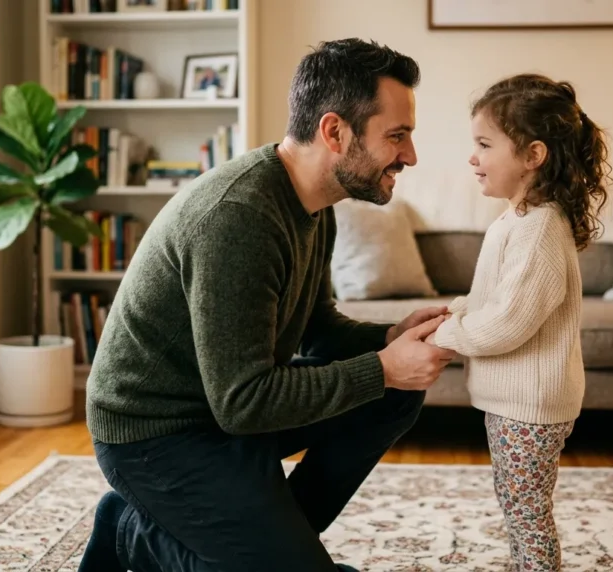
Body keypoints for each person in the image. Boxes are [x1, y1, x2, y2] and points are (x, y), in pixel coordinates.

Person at [78, 38, 457, 572]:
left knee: (394, 395)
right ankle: (132, 534)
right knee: (383, 381)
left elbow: (316, 327)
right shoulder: (239, 217)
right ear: (334, 132)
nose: (410, 156)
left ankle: (270, 539)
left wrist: (388, 342)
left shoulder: (315, 203)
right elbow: (244, 401)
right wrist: (380, 369)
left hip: (223, 409)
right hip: (155, 433)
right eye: (396, 136)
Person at [425, 73, 610, 570]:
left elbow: (508, 321)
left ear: (533, 155)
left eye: (485, 144)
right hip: (515, 401)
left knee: (527, 513)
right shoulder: (516, 219)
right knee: (516, 505)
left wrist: (447, 334)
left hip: (529, 406)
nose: (473, 157)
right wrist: (454, 312)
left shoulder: (540, 228)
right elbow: (490, 297)